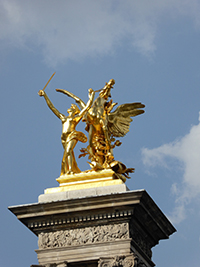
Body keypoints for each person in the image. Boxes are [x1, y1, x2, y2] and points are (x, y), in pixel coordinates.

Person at [38, 88, 95, 175]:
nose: (69, 108)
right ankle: (70, 169)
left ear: (74, 111)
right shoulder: (63, 117)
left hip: (72, 135)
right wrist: (45, 95)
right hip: (63, 138)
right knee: (67, 155)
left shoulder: (76, 118)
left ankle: (71, 170)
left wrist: (91, 96)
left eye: (71, 108)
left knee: (68, 151)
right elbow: (52, 107)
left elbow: (87, 107)